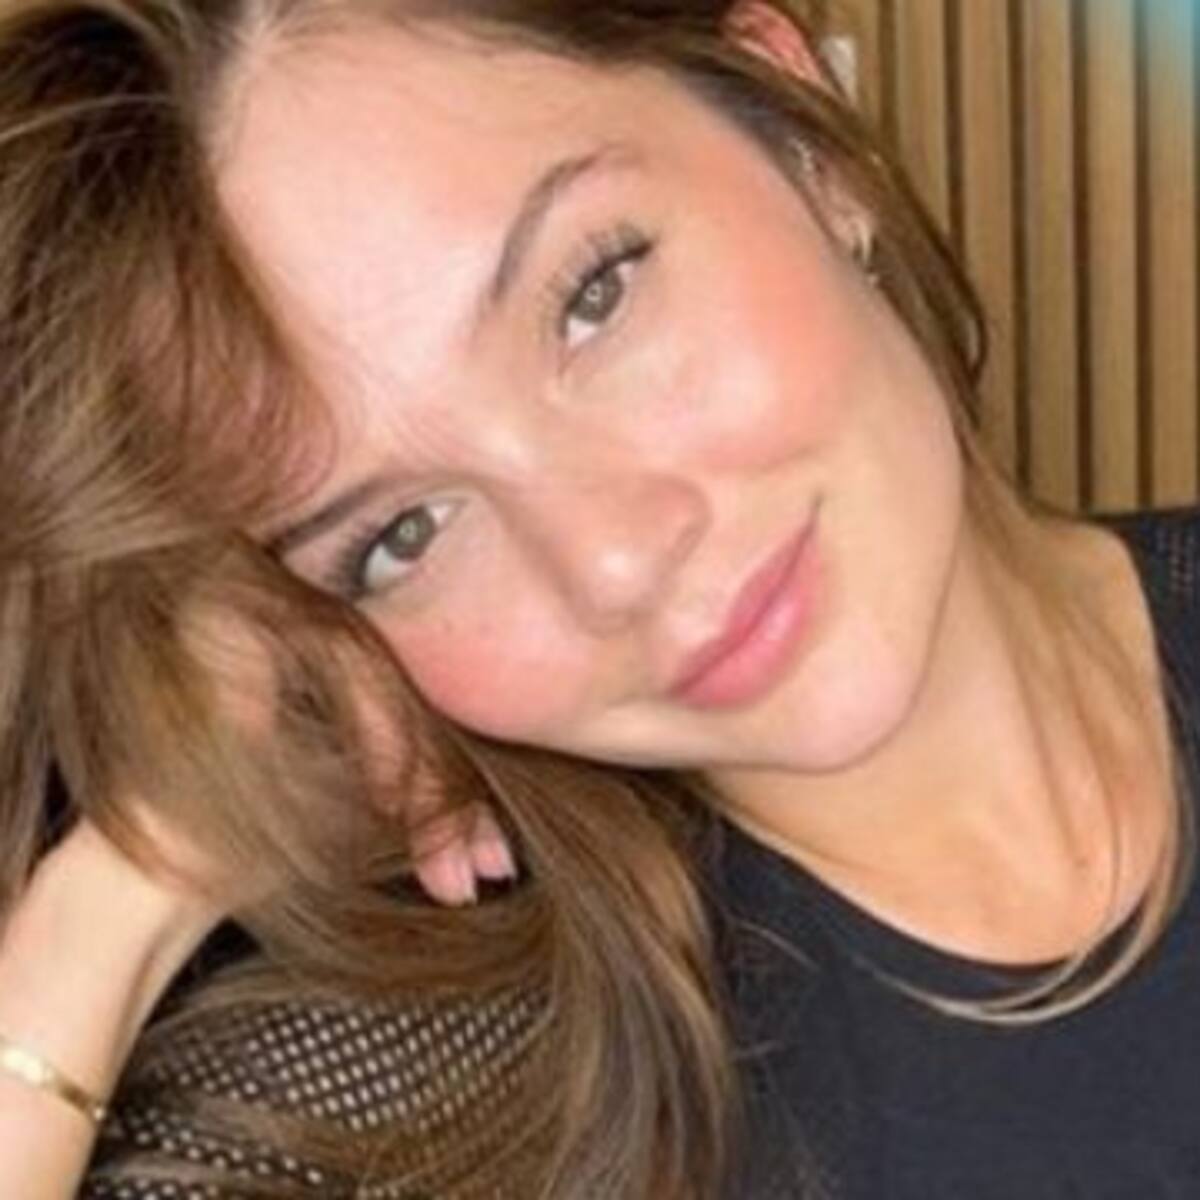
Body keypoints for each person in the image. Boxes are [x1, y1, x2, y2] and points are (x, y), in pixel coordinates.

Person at [0, 0, 1196, 1196]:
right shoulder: (443, 1100)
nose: (613, 563)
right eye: (404, 536)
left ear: (798, 129)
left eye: (593, 296)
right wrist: (116, 905)